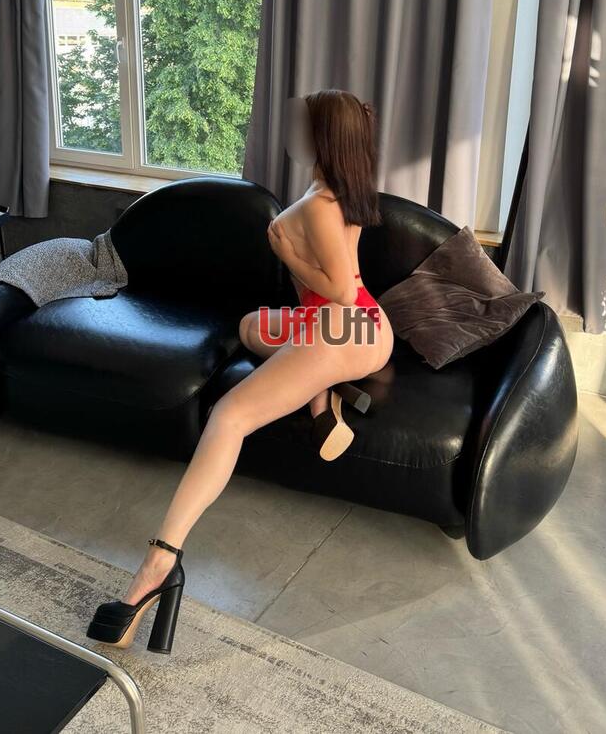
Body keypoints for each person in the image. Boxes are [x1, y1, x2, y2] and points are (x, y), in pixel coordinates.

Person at [86, 89, 393, 653]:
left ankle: (158, 565)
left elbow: (343, 293)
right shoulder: (337, 190)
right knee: (252, 327)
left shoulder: (322, 205)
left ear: (324, 136)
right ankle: (323, 395)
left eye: (304, 124)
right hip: (352, 326)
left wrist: (285, 250)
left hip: (345, 327)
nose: (294, 132)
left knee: (228, 416)